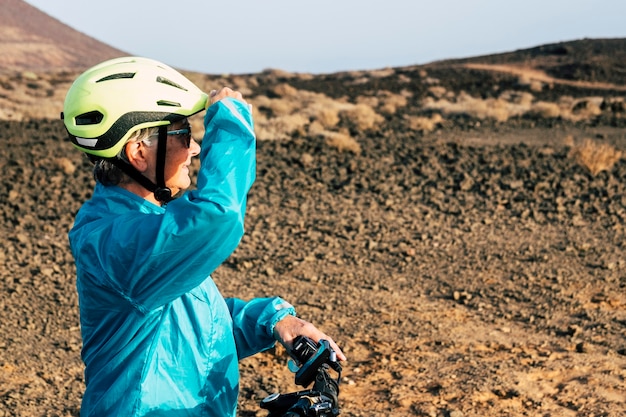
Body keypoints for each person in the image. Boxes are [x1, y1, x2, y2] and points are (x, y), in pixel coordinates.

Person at [61, 56, 345, 417]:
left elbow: (191, 325)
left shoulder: (144, 223)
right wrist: (229, 123)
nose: (194, 148)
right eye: (183, 133)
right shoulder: (114, 242)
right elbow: (218, 215)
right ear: (138, 152)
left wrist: (273, 320)